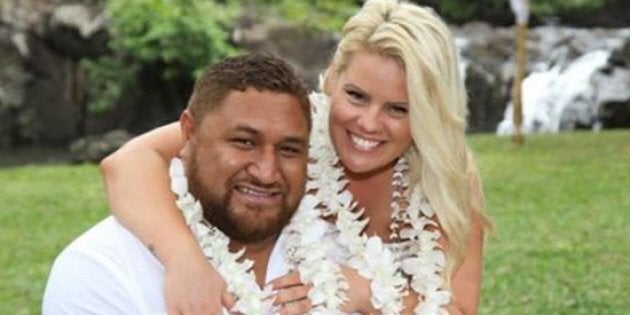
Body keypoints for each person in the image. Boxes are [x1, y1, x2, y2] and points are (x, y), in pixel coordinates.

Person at [100, 0, 492, 314]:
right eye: (356, 96)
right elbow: (129, 161)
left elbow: (456, 308)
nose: (369, 124)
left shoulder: (447, 179)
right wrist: (183, 260)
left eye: (398, 109)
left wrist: (368, 293)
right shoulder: (286, 126)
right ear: (333, 77)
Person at [42, 53, 319, 314]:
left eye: (289, 149)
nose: (267, 173)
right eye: (244, 142)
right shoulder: (101, 268)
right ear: (188, 132)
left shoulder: (336, 248)